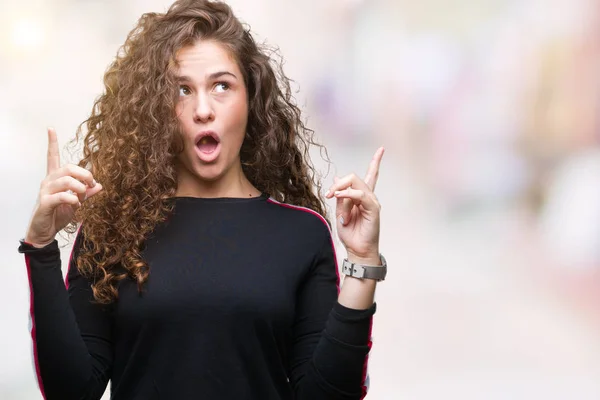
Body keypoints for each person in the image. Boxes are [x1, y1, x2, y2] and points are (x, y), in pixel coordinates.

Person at [19, 0, 387, 399]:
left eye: (222, 85)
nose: (203, 110)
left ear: (252, 99)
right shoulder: (112, 230)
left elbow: (326, 396)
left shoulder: (302, 234)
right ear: (156, 108)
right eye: (181, 90)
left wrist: (364, 262)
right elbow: (70, 391)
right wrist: (40, 248)